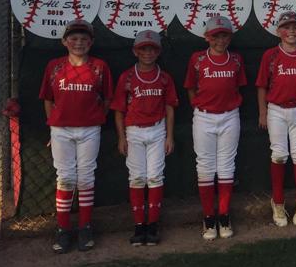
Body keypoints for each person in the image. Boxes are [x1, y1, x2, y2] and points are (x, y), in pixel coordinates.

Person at [39, 19, 112, 253]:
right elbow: (48, 98)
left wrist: (98, 116)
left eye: (83, 39)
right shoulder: (55, 66)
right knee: (66, 177)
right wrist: (53, 124)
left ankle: (85, 227)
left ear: (91, 42)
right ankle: (62, 230)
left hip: (89, 128)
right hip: (61, 129)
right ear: (64, 41)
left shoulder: (99, 66)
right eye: (74, 38)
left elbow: (108, 98)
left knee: (86, 177)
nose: (78, 42)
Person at [256, 11, 296, 228]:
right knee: (279, 155)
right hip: (275, 109)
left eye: (295, 28)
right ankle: (278, 203)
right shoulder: (271, 55)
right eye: (287, 27)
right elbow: (262, 86)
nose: (291, 31)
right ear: (279, 31)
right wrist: (263, 112)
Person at [111, 30, 178, 246]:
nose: (147, 53)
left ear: (158, 52)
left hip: (157, 130)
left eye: (152, 49)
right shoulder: (127, 77)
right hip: (134, 131)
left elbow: (169, 108)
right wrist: (122, 137)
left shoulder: (164, 77)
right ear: (135, 51)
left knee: (155, 177)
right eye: (143, 49)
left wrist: (170, 136)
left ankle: (153, 225)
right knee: (137, 177)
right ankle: (139, 225)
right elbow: (119, 110)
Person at [184, 15, 246, 240]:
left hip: (230, 116)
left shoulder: (236, 59)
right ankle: (208, 217)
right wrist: (197, 105)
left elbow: (239, 87)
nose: (220, 40)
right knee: (205, 167)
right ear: (207, 37)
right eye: (215, 35)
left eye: (224, 35)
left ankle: (224, 215)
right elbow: (190, 87)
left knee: (227, 166)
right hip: (204, 117)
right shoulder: (197, 59)